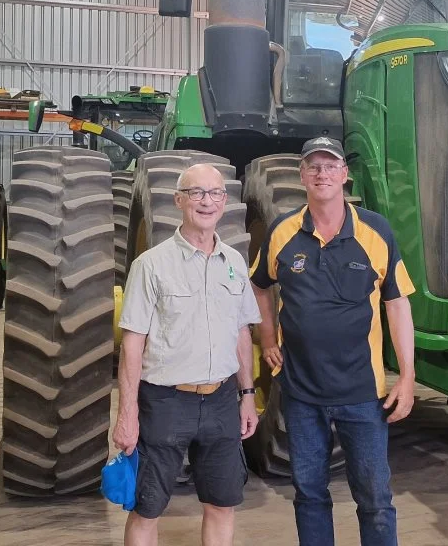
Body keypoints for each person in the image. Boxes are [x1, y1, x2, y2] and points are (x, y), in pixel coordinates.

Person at [249, 136, 417, 546]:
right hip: (302, 392)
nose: (322, 173)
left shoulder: (376, 230)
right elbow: (258, 286)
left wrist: (408, 377)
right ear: (302, 176)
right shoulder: (282, 231)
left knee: (374, 497)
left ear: (344, 174)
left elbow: (397, 305)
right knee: (309, 494)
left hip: (363, 393)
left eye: (330, 166)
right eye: (313, 167)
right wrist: (268, 336)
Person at [113, 163, 262, 546]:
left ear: (224, 202)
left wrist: (247, 396)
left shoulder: (234, 264)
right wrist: (127, 414)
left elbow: (242, 332)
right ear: (179, 200)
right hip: (165, 402)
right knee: (147, 508)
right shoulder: (151, 265)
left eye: (214, 193)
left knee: (222, 504)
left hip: (221, 401)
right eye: (196, 193)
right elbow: (132, 343)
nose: (206, 201)